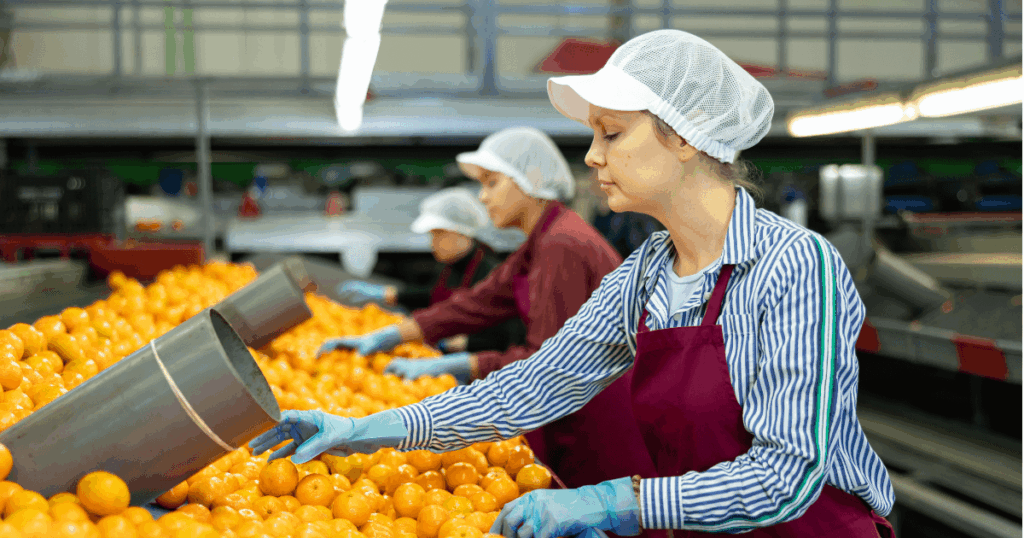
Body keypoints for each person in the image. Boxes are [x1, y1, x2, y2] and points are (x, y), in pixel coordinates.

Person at [253, 30, 895, 537]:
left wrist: (619, 499)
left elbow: (787, 476)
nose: (591, 157)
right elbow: (532, 385)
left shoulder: (793, 267)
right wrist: (368, 429)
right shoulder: (646, 274)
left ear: (684, 137)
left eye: (611, 133)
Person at [317, 126, 657, 491]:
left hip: (600, 418)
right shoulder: (541, 240)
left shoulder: (563, 244)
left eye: (491, 183)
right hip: (572, 409)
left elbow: (546, 362)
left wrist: (463, 364)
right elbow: (477, 303)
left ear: (530, 182)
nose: (482, 197)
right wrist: (391, 335)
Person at [335, 187, 526, 353]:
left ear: (461, 232)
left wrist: (463, 343)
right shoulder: (448, 267)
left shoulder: (491, 273)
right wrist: (387, 294)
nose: (433, 242)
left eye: (438, 234)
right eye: (432, 235)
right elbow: (433, 296)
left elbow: (507, 337)